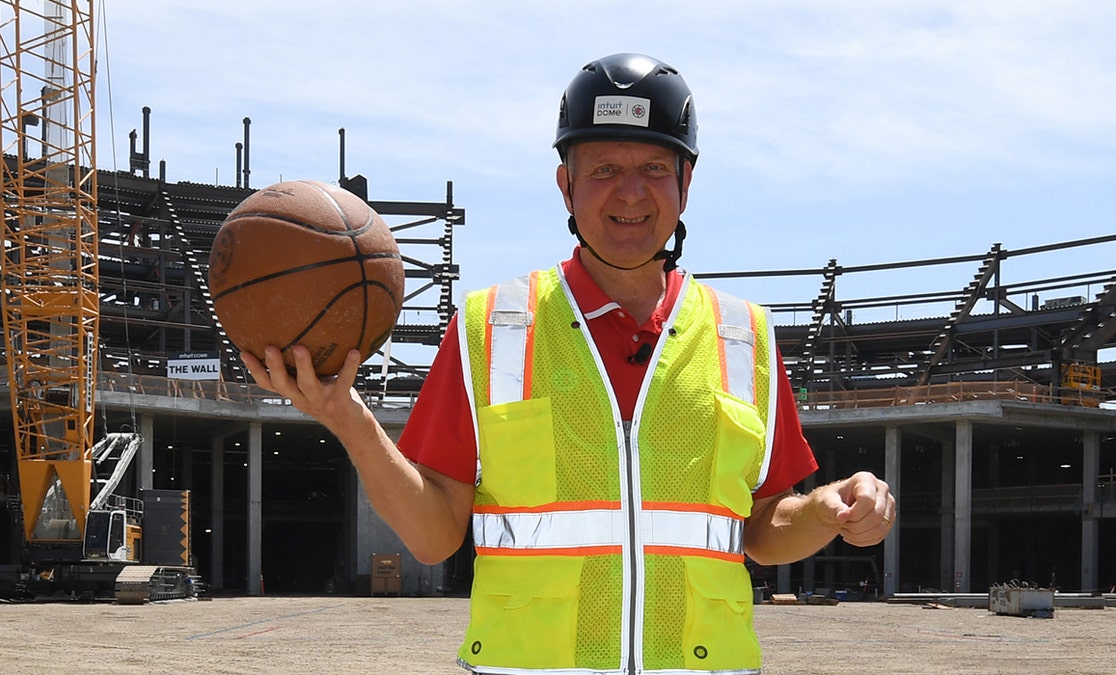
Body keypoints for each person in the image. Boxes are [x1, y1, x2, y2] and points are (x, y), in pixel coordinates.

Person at [244, 52, 895, 675]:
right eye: (605, 169)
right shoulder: (488, 326)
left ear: (686, 183)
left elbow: (764, 526)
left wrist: (830, 506)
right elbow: (434, 535)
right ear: (566, 184)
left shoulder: (742, 335)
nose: (631, 192)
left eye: (655, 168)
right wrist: (350, 419)